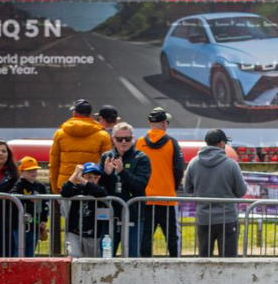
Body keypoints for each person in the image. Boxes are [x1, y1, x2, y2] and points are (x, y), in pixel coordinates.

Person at [182, 129, 247, 257]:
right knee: (229, 260)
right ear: (221, 143)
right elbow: (241, 191)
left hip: (204, 218)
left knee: (204, 260)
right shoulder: (231, 165)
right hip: (227, 218)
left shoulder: (194, 163)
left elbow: (187, 188)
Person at [137, 107, 186, 257]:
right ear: (164, 123)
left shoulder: (139, 143)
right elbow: (179, 169)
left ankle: (145, 264)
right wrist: (171, 187)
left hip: (146, 198)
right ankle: (175, 264)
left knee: (145, 236)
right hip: (167, 198)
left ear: (149, 123)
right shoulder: (172, 142)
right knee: (172, 236)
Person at [99, 122, 151, 256]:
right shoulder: (106, 157)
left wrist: (122, 172)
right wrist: (106, 174)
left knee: (131, 255)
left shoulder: (141, 158)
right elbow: (100, 188)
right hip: (111, 214)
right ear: (113, 139)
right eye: (119, 139)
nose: (123, 142)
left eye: (127, 139)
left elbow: (140, 185)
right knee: (106, 255)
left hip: (133, 213)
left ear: (133, 138)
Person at [49, 99, 112, 193]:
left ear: (74, 113)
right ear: (90, 115)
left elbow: (54, 164)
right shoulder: (103, 135)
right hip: (91, 186)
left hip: (66, 186)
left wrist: (55, 188)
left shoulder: (60, 134)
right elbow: (106, 164)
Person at [60, 162, 108, 257]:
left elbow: (101, 193)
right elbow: (64, 192)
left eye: (95, 177)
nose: (92, 180)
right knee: (74, 255)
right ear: (82, 176)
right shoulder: (77, 188)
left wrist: (83, 180)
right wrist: (75, 174)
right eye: (89, 177)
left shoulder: (99, 189)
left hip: (92, 234)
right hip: (74, 232)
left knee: (91, 260)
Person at [10, 157, 49, 257]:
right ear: (21, 172)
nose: (33, 173)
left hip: (35, 224)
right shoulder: (19, 184)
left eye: (35, 170)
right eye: (29, 171)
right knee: (19, 249)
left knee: (31, 250)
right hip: (20, 224)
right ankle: (18, 266)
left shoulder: (40, 186)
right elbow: (13, 195)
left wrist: (44, 219)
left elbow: (45, 203)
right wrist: (28, 199)